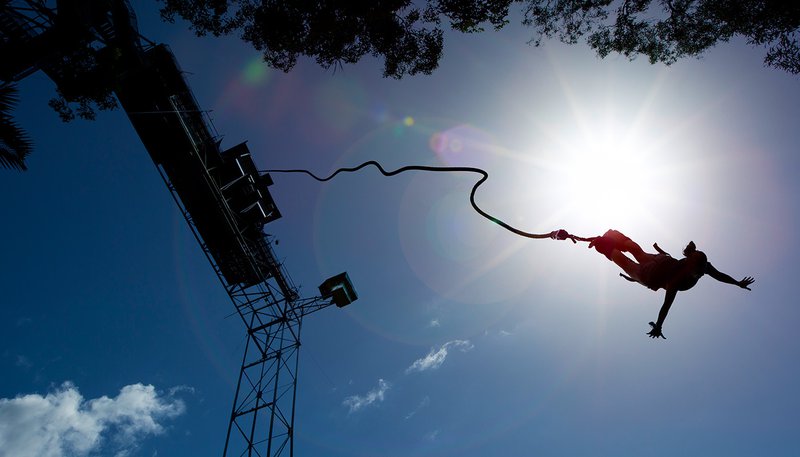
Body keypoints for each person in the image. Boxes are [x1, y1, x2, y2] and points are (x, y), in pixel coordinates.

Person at [589, 230, 754, 339]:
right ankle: (613, 239)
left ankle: (607, 244)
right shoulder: (699, 266)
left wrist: (659, 325)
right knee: (634, 253)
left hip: (651, 274)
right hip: (658, 263)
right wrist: (737, 283)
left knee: (628, 260)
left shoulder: (683, 278)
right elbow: (719, 276)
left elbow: (667, 305)